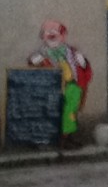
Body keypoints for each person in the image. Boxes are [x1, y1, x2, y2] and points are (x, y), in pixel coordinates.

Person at [28, 20, 92, 148]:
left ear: (63, 35)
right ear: (43, 36)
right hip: (52, 88)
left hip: (71, 86)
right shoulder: (42, 54)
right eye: (48, 31)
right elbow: (32, 67)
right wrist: (35, 61)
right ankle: (51, 138)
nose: (52, 33)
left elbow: (84, 68)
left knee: (70, 111)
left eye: (56, 31)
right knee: (51, 111)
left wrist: (83, 62)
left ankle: (66, 137)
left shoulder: (71, 52)